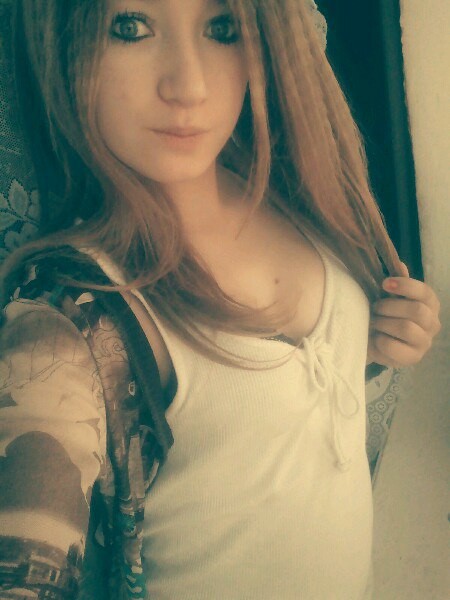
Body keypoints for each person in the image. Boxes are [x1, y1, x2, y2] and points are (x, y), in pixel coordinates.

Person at [0, 1, 441, 599]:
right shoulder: (71, 313)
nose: (190, 85)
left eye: (222, 28)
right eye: (129, 27)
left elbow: (261, 406)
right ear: (61, 43)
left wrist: (372, 343)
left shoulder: (287, 191)